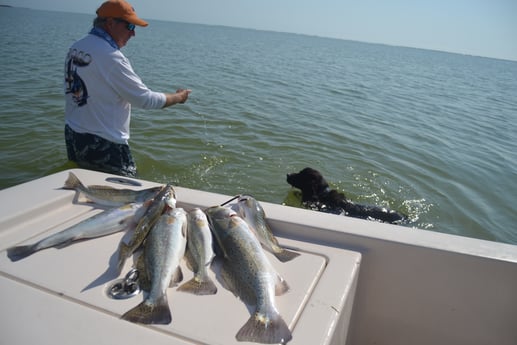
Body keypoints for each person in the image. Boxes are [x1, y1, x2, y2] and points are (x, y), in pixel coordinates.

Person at [64, 0, 191, 177]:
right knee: (127, 196)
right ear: (110, 23)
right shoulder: (112, 57)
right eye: (130, 26)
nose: (133, 33)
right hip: (103, 142)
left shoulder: (77, 46)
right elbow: (145, 100)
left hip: (74, 134)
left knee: (87, 187)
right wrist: (179, 97)